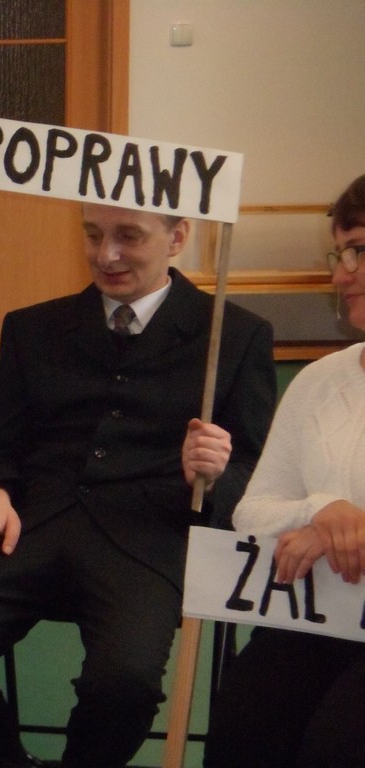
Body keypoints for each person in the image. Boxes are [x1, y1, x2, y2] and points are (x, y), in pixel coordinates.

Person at [0, 202, 277, 768]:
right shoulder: (33, 327)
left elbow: (253, 473)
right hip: (27, 523)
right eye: (93, 235)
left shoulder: (237, 335)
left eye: (129, 236)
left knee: (124, 684)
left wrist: (216, 473)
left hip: (149, 536)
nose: (106, 255)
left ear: (177, 237)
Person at [203, 174, 365, 768]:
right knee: (240, 731)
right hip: (317, 617)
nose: (342, 274)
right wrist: (320, 511)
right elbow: (252, 512)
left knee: (334, 749)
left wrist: (347, 530)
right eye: (339, 254)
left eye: (359, 251)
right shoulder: (320, 381)